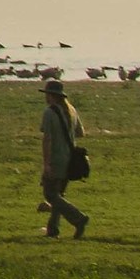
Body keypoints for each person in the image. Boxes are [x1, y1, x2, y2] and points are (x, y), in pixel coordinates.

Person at [38, 78, 88, 238]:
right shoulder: (72, 110)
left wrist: (46, 164)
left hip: (56, 158)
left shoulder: (49, 112)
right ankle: (53, 230)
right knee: (59, 194)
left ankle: (78, 218)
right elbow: (80, 132)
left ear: (51, 95)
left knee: (50, 195)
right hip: (69, 159)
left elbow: (47, 139)